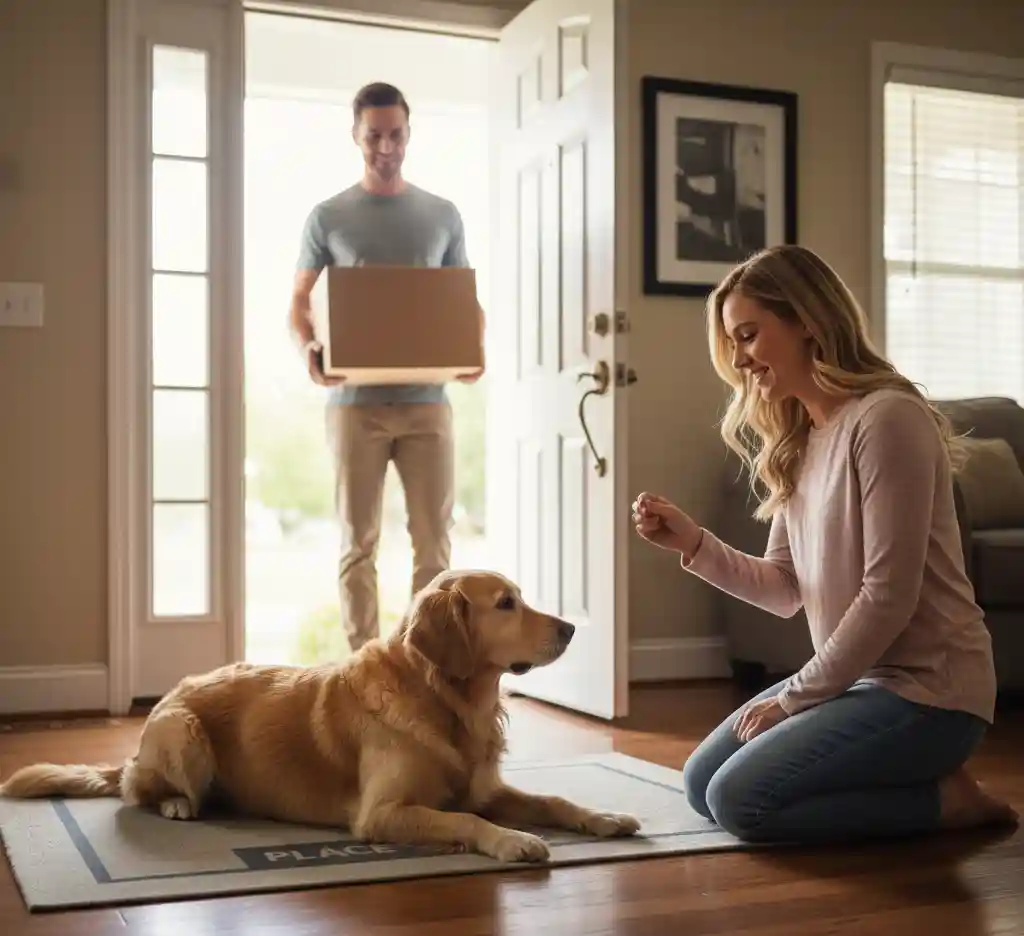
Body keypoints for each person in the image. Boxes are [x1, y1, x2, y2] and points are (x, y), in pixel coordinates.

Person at [632, 244, 1018, 844]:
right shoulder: (803, 442)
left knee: (740, 801)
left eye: (750, 335)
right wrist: (694, 543)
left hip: (932, 694)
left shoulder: (887, 419)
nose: (740, 360)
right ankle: (902, 783)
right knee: (700, 783)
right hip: (863, 683)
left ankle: (945, 801)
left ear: (807, 321)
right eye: (733, 343)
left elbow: (888, 595)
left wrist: (795, 698)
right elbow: (786, 589)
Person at [288, 81, 483, 653]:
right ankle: (362, 665)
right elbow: (300, 300)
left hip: (428, 404)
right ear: (356, 135)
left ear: (408, 133)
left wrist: (476, 346)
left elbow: (463, 296)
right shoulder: (328, 217)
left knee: (433, 543)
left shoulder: (442, 215)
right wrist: (309, 351)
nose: (386, 145)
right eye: (374, 135)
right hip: (354, 405)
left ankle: (427, 661)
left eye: (396, 133)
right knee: (358, 542)